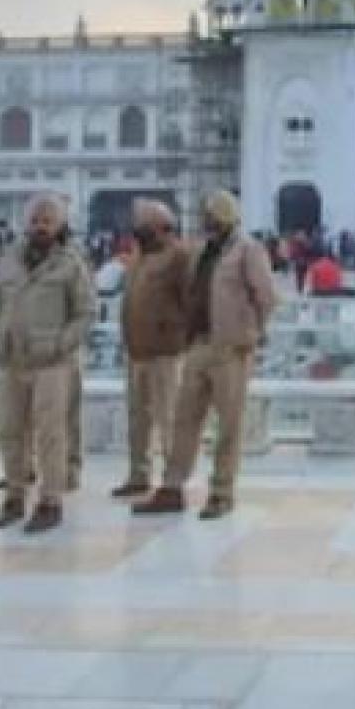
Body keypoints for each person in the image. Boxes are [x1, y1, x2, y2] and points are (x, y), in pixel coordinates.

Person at [163, 190, 277, 519]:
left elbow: (266, 296)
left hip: (231, 347)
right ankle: (173, 485)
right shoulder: (203, 251)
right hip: (199, 343)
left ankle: (222, 491)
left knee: (228, 423)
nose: (208, 219)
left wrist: (252, 332)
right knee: (184, 418)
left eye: (213, 213)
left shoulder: (247, 250)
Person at [0, 193, 94, 534]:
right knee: (9, 429)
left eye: (47, 221)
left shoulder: (70, 263)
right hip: (12, 360)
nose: (40, 227)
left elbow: (86, 312)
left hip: (52, 363)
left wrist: (62, 344)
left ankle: (50, 500)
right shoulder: (8, 260)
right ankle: (15, 495)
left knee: (50, 432)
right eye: (34, 220)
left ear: (60, 225)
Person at [114, 199, 192, 510]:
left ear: (164, 227)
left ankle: (173, 484)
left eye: (146, 226)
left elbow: (191, 301)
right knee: (138, 417)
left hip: (166, 352)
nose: (139, 231)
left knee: (168, 417)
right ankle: (138, 473)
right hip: (137, 349)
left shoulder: (179, 258)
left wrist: (175, 330)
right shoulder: (138, 257)